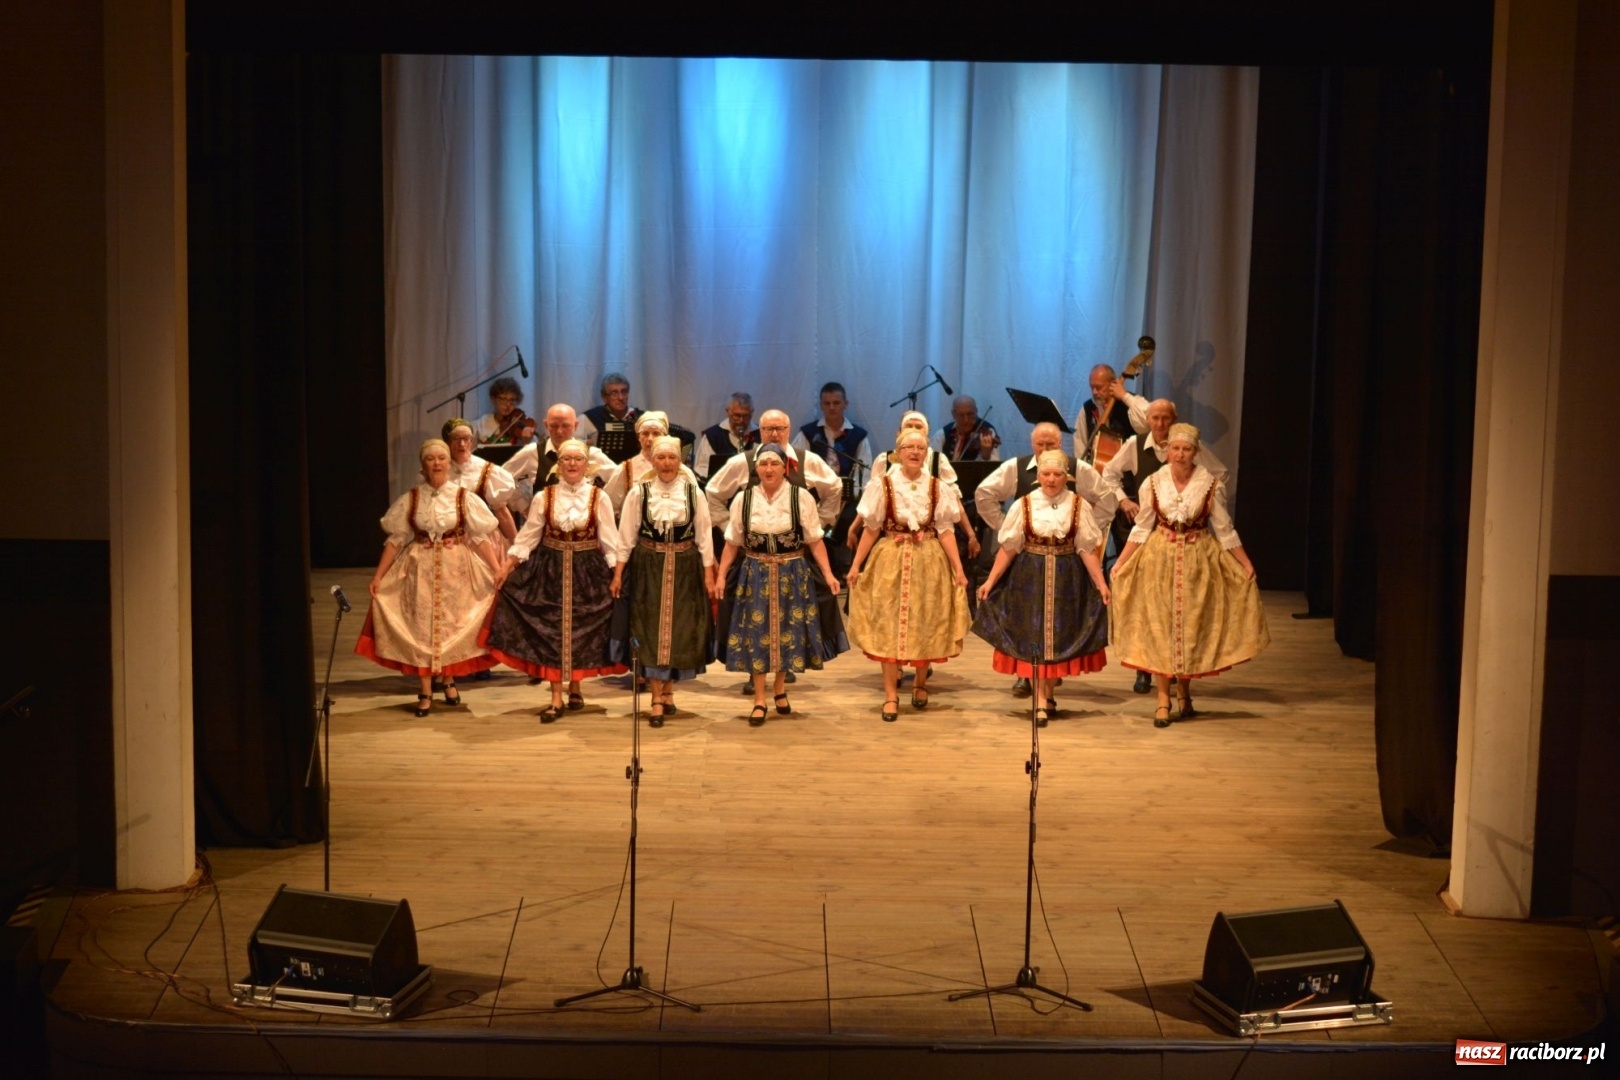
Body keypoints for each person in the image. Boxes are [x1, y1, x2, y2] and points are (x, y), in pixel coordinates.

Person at [1110, 423, 1269, 728]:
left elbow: (1223, 529)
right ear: (1166, 450)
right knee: (1160, 628)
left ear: (1196, 452)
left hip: (1198, 560)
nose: (1180, 455)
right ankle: (1162, 699)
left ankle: (1184, 693)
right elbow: (1142, 527)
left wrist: (1245, 563)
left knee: (1190, 627)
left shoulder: (1209, 484)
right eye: (1175, 448)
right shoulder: (1153, 483)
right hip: (1159, 560)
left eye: (1186, 449)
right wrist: (1121, 562)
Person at [356, 439, 502, 717]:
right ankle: (424, 690)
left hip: (457, 567)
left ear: (449, 463)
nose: (436, 463)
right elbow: (396, 540)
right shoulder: (411, 499)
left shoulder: (463, 497)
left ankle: (448, 679)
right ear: (423, 464)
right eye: (430, 459)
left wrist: (496, 569)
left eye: (441, 458)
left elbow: (479, 537)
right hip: (418, 568)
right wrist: (378, 576)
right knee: (421, 627)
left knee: (452, 623)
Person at [484, 439, 626, 722]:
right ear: (558, 465)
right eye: (566, 459)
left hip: (588, 570)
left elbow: (610, 541)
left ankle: (575, 687)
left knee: (583, 629)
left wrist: (618, 574)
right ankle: (555, 697)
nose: (572, 464)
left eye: (577, 459)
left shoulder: (600, 497)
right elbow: (529, 536)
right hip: (550, 568)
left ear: (587, 465)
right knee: (551, 630)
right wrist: (507, 565)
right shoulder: (544, 496)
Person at [974, 421, 1115, 697]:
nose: (1051, 479)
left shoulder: (1078, 496)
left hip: (1066, 571)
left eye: (1057, 474)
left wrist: (1085, 536)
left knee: (1061, 629)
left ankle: (1047, 691)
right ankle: (1032, 685)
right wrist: (1005, 529)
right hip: (1029, 568)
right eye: (1041, 445)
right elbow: (988, 502)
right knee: (1027, 626)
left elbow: (1096, 525)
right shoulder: (1020, 489)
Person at [710, 444, 845, 726]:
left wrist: (829, 574)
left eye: (774, 463)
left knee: (789, 631)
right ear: (756, 468)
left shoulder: (801, 498)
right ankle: (759, 698)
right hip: (754, 573)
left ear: (785, 467)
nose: (768, 469)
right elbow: (732, 543)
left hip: (792, 572)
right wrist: (721, 575)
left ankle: (780, 687)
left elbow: (815, 540)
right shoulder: (743, 500)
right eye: (763, 464)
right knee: (756, 632)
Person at [1100, 398, 1229, 694]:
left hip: (1184, 538)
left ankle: (1175, 669)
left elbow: (1219, 475)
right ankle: (1146, 669)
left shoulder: (1186, 446)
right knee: (1147, 605)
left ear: (1174, 420)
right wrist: (1124, 500)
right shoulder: (1135, 444)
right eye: (1154, 418)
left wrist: (1196, 507)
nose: (1159, 424)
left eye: (1165, 419)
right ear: (1147, 420)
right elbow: (1109, 473)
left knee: (1180, 607)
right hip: (1144, 530)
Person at [845, 429, 971, 722]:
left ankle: (920, 682)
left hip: (929, 558)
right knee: (888, 624)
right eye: (909, 447)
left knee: (926, 619)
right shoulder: (883, 485)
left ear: (926, 453)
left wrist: (959, 570)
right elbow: (872, 528)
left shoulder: (939, 487)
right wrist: (856, 566)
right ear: (898, 452)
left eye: (920, 448)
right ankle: (890, 694)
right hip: (890, 557)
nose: (914, 452)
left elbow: (946, 531)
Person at [611, 435, 717, 726]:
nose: (667, 463)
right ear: (653, 461)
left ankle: (669, 691)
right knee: (649, 629)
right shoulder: (639, 492)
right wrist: (619, 573)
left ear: (680, 461)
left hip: (685, 567)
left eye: (672, 458)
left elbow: (704, 536)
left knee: (680, 629)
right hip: (648, 566)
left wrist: (709, 574)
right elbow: (626, 537)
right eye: (661, 458)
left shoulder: (693, 492)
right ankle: (656, 698)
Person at [792, 382, 872, 582]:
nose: (832, 407)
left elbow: (865, 472)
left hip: (848, 496)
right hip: (815, 495)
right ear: (821, 405)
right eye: (827, 403)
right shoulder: (808, 433)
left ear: (846, 404)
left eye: (836, 403)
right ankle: (819, 570)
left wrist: (851, 494)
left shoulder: (858, 435)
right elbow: (793, 463)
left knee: (853, 517)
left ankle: (846, 568)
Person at [503, 403, 616, 517]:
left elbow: (618, 479)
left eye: (566, 426)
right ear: (546, 425)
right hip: (544, 527)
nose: (559, 431)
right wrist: (524, 506)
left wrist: (603, 505)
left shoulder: (591, 454)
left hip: (584, 528)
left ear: (576, 425)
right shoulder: (532, 452)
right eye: (554, 426)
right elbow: (502, 479)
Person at [602, 411, 700, 514]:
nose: (650, 439)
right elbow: (609, 509)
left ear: (664, 436)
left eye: (656, 433)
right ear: (638, 437)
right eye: (645, 433)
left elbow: (697, 507)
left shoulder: (682, 471)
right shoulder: (625, 469)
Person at [442, 418, 519, 544]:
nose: (462, 444)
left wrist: (517, 545)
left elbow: (502, 512)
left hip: (483, 541)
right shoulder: (439, 469)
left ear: (472, 441)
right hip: (448, 539)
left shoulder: (485, 470)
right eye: (456, 439)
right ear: (447, 441)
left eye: (466, 438)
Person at [1074, 364, 1150, 469]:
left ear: (1113, 384)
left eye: (1099, 387)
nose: (1094, 392)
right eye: (1092, 387)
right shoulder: (1088, 408)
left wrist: (1124, 396)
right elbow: (1080, 444)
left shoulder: (1132, 402)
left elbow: (1148, 422)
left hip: (1130, 473)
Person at [694, 391, 758, 483]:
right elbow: (702, 468)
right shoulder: (712, 436)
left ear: (752, 413)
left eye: (746, 416)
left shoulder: (761, 434)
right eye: (737, 415)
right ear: (727, 412)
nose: (741, 420)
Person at [580, 372, 640, 463]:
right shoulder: (589, 418)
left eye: (624, 392)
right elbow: (571, 444)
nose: (620, 397)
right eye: (614, 393)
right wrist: (586, 444)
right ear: (604, 397)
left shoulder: (641, 417)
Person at [472, 376, 537, 450]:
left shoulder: (520, 423)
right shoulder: (481, 424)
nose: (508, 404)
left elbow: (533, 452)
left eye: (512, 400)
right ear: (493, 399)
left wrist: (527, 441)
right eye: (503, 399)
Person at [937, 395, 1001, 462]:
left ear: (976, 411)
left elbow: (994, 468)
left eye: (970, 414)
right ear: (953, 414)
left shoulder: (987, 432)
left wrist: (985, 456)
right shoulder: (942, 434)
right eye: (961, 415)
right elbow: (932, 463)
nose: (966, 420)